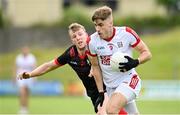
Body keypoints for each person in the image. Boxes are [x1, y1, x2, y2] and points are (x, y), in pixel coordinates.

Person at [17, 23, 127, 115]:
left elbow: (114, 58)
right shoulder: (70, 54)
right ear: (72, 41)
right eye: (74, 36)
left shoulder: (97, 46)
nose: (78, 37)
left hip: (108, 87)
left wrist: (96, 66)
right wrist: (30, 74)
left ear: (86, 35)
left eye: (80, 34)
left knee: (104, 113)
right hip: (94, 94)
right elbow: (48, 66)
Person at [87, 6, 152, 114]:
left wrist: (135, 62)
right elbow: (95, 66)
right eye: (95, 25)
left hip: (129, 81)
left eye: (100, 25)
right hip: (111, 87)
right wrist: (101, 92)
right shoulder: (92, 42)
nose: (97, 29)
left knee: (111, 109)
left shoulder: (126, 33)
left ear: (110, 23)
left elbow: (147, 53)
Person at [14, 46, 37, 114]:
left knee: (27, 93)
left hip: (29, 76)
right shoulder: (18, 57)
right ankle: (22, 108)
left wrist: (35, 77)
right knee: (22, 92)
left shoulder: (32, 57)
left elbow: (34, 67)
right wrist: (13, 77)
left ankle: (26, 108)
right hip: (20, 76)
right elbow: (15, 67)